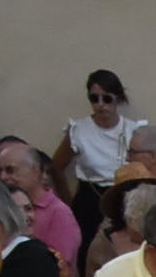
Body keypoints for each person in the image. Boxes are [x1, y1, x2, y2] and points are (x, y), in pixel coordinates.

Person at [53, 70, 143, 239]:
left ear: (118, 98)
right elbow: (56, 166)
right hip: (90, 199)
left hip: (124, 198)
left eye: (107, 98)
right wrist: (67, 202)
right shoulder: (79, 130)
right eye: (94, 99)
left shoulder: (133, 130)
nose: (101, 104)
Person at [0, 142, 81, 277]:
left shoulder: (58, 212)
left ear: (35, 170)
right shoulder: (2, 208)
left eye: (10, 170)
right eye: (0, 170)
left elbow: (59, 266)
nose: (3, 176)